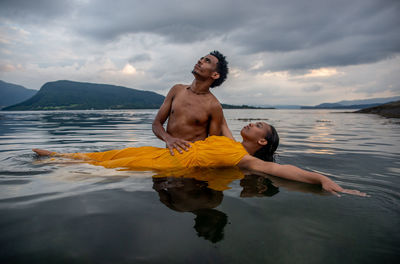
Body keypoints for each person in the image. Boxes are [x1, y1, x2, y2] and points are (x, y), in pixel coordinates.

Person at [32, 122, 367, 197]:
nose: (250, 123)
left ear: (261, 141)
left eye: (258, 125)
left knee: (98, 166)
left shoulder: (244, 160)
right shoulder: (227, 138)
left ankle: (57, 162)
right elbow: (213, 104)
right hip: (158, 152)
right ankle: (60, 156)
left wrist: (321, 179)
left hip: (166, 166)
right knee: (100, 155)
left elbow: (279, 169)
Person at [152, 50, 233, 156]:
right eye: (201, 58)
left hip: (193, 162)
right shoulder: (176, 90)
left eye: (207, 61)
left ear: (215, 74)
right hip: (169, 157)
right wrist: (168, 139)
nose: (200, 61)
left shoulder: (213, 106)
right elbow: (156, 124)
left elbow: (213, 144)